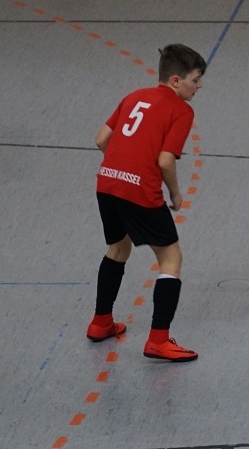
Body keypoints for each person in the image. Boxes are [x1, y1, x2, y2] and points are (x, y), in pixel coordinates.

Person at [87, 43, 206, 362]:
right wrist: (176, 194)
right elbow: (165, 161)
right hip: (139, 191)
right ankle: (159, 340)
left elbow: (101, 139)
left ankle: (100, 322)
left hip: (106, 183)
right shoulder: (181, 110)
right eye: (195, 80)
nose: (199, 86)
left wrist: (122, 166)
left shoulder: (134, 96)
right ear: (176, 81)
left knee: (118, 248)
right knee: (171, 259)